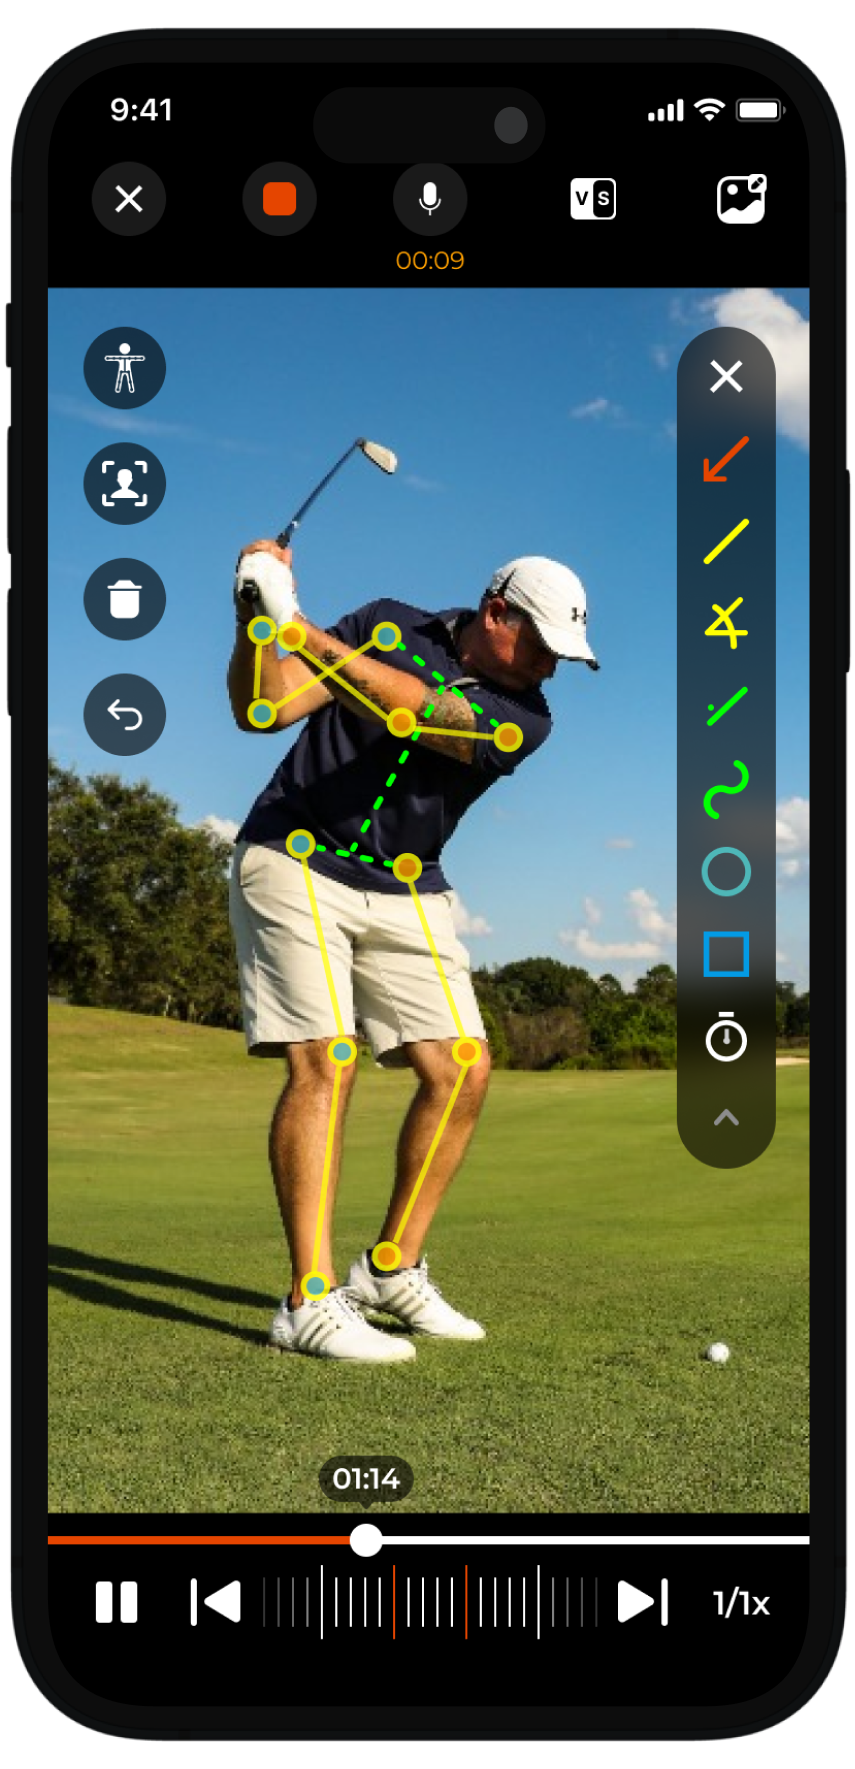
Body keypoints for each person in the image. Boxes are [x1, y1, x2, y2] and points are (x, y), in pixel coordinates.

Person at [227, 541, 598, 1362]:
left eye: (562, 656)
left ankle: (389, 1270)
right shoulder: (388, 623)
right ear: (495, 612)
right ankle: (308, 1301)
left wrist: (300, 625)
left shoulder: (527, 717)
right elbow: (269, 708)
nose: (548, 667)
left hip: (407, 886)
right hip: (291, 856)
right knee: (326, 1060)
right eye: (538, 645)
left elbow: (430, 716)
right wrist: (255, 622)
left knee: (461, 1066)